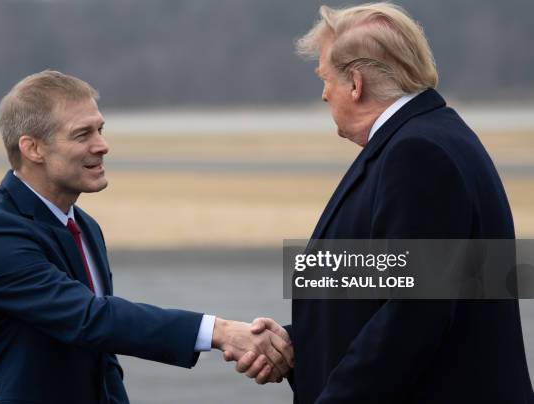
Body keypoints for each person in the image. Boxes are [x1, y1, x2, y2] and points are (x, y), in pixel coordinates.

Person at [228, 3, 534, 403]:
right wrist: (294, 345)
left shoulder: (419, 154)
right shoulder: (428, 137)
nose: (323, 94)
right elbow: (392, 290)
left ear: (355, 83)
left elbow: (413, 317)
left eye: (325, 79)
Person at [0, 70, 293, 403]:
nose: (103, 146)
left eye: (100, 129)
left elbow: (102, 356)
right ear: (33, 149)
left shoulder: (84, 225)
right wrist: (219, 331)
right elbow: (91, 320)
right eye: (83, 135)